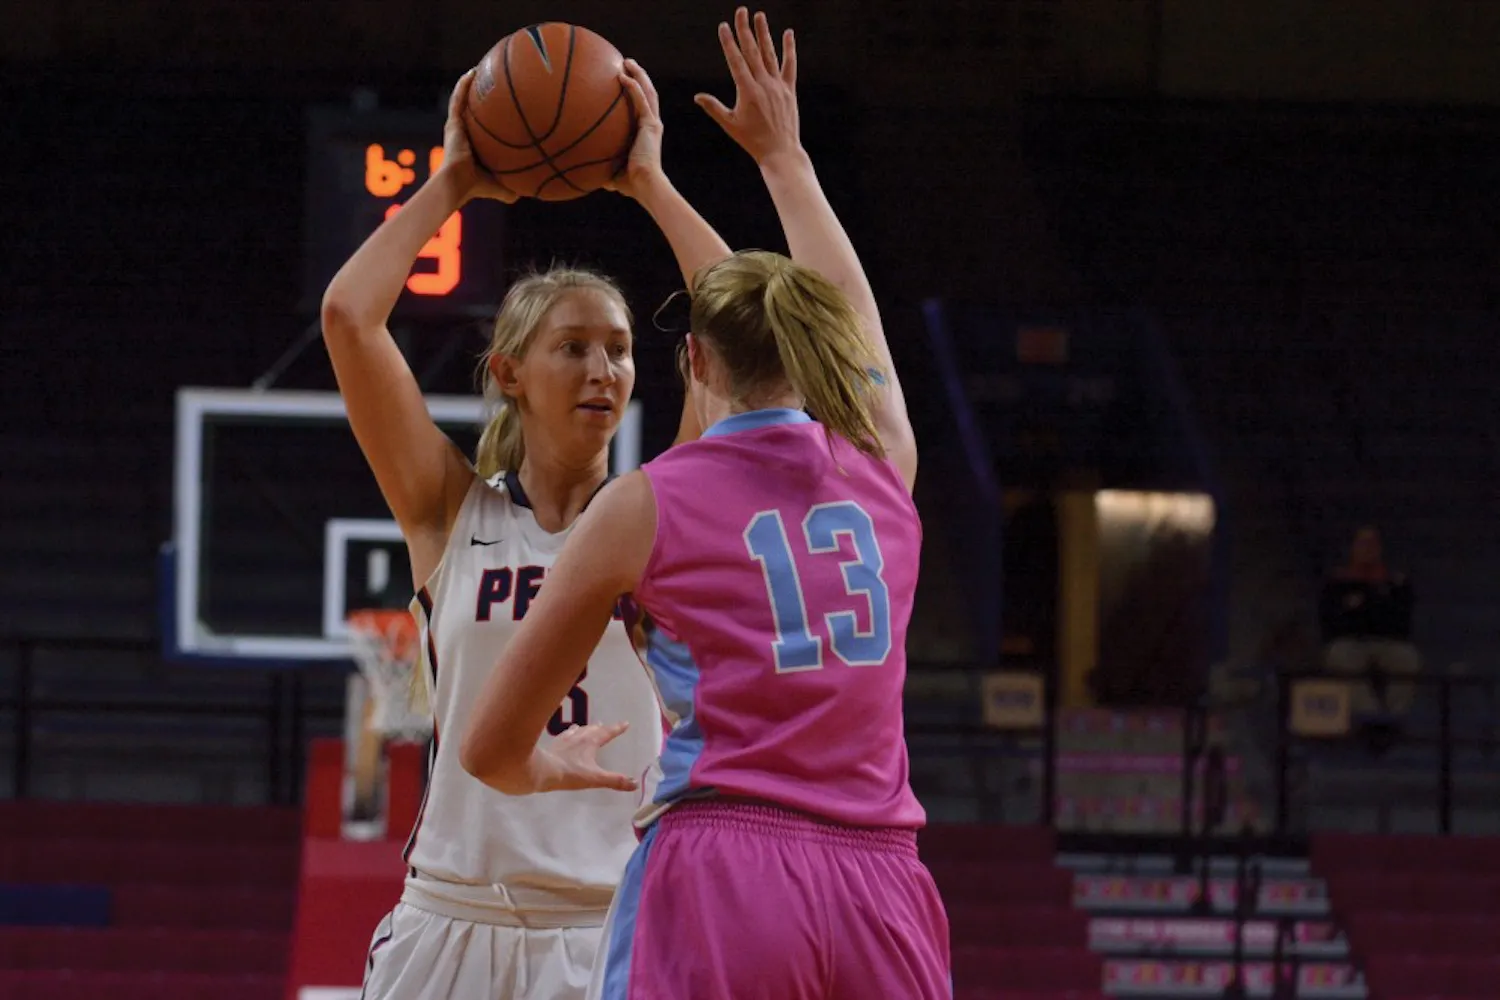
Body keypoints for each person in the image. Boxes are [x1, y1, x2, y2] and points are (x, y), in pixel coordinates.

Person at [459, 10, 950, 998]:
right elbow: (856, 316)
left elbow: (488, 746)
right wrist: (785, 157)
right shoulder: (882, 462)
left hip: (722, 863)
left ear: (694, 362)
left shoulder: (639, 509)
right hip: (883, 880)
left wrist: (549, 768)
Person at [320, 58, 733, 1000]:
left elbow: (740, 319)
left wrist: (651, 184)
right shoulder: (449, 512)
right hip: (451, 919)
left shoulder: (663, 510)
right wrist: (456, 178)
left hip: (611, 928)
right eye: (574, 347)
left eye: (622, 350)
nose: (605, 370)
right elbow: (349, 314)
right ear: (508, 372)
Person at [1319, 524, 1420, 717]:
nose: (1368, 548)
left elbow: (1401, 623)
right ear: (1353, 548)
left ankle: (1393, 716)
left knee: (1408, 658)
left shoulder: (1396, 583)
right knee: (1339, 655)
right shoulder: (1336, 583)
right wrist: (1370, 610)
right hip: (1350, 643)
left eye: (1373, 543)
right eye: (1362, 543)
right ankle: (1370, 717)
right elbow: (1330, 622)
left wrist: (1358, 608)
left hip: (1387, 642)